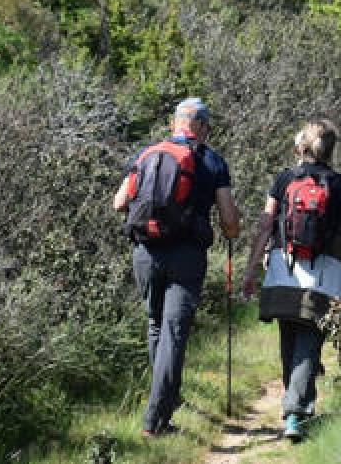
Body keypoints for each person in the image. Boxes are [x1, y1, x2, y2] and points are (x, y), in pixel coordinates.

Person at [112, 98, 240, 439]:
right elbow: (228, 222)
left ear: (175, 123)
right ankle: (155, 420)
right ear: (201, 127)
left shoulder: (147, 152)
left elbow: (119, 202)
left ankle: (166, 398)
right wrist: (231, 230)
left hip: (145, 252)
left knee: (156, 326)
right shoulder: (212, 161)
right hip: (186, 256)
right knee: (173, 332)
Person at [240, 120, 341, 442]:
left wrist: (251, 270)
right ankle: (296, 411)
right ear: (332, 149)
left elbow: (265, 226)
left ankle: (295, 402)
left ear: (300, 146)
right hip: (324, 273)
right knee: (310, 337)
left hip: (283, 267)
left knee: (290, 335)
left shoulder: (283, 179)